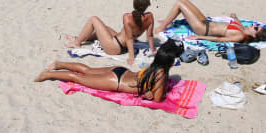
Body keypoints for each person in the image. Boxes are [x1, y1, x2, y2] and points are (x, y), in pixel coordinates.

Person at [35, 38, 183, 103]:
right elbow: (158, 98)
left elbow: (149, 84)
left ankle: (59, 63)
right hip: (115, 81)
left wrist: (149, 90)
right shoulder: (161, 74)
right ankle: (48, 74)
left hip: (122, 71)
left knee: (87, 70)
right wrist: (152, 92)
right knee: (77, 78)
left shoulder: (155, 65)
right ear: (169, 62)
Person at [64, 0, 155, 65]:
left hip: (114, 47)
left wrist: (131, 57)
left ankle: (77, 42)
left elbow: (129, 38)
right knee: (105, 28)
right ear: (147, 6)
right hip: (123, 46)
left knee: (94, 19)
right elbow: (150, 36)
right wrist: (153, 49)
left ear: (134, 5)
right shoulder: (150, 16)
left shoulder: (127, 17)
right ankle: (79, 38)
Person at [155, 0, 266, 43]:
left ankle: (163, 26)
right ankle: (168, 22)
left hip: (202, 29)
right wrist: (235, 17)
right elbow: (237, 23)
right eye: (256, 25)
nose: (254, 25)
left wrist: (199, 37)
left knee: (179, 4)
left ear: (254, 35)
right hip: (206, 22)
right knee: (182, 0)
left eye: (256, 28)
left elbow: (219, 39)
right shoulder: (243, 28)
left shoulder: (240, 36)